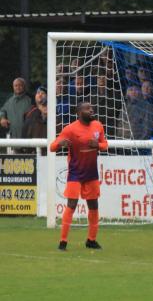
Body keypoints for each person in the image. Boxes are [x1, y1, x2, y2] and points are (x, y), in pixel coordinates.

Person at [50, 102, 108, 251]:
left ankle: (91, 240)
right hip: (75, 173)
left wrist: (98, 146)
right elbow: (52, 147)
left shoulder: (98, 126)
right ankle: (63, 242)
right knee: (72, 204)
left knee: (94, 205)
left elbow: (105, 144)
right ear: (79, 112)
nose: (92, 110)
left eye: (92, 107)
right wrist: (60, 143)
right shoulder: (70, 129)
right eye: (88, 108)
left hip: (91, 173)